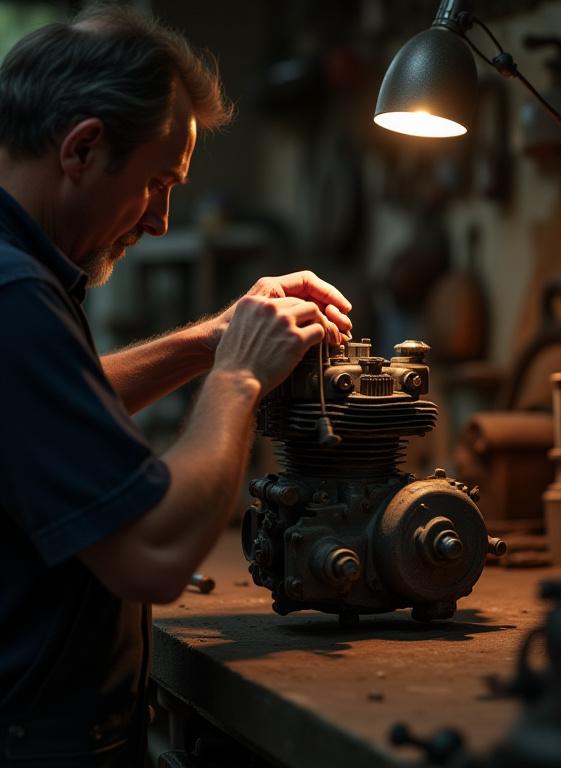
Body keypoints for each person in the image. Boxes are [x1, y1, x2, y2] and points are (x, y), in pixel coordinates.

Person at [0, 4, 352, 766]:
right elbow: (153, 556)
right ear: (83, 149)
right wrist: (237, 378)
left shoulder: (17, 276)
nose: (160, 221)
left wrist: (210, 339)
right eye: (157, 182)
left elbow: (48, 413)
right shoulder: (14, 294)